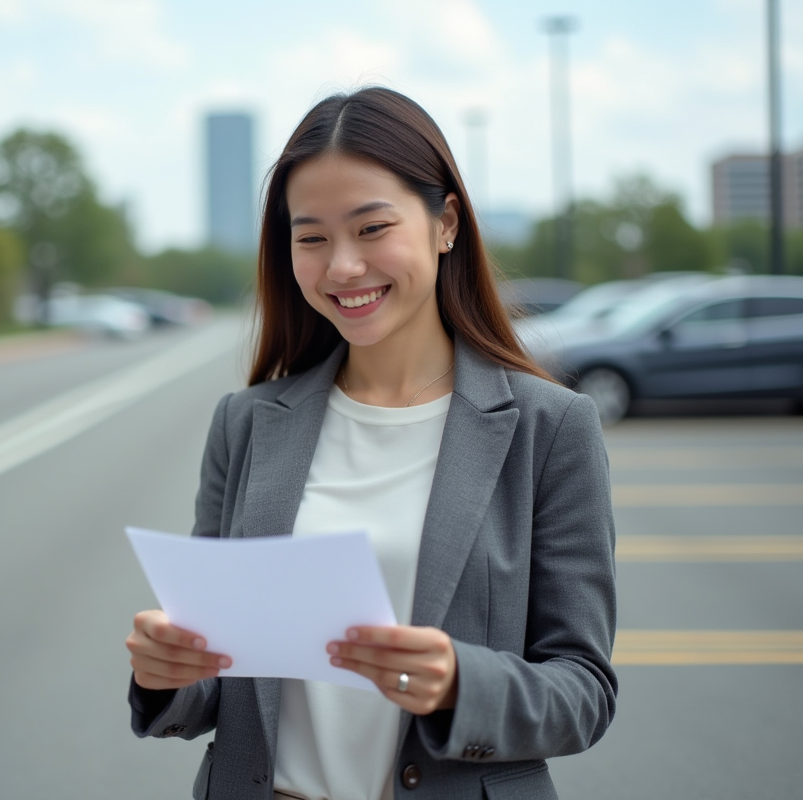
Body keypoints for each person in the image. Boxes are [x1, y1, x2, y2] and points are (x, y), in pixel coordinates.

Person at [125, 87, 617, 800]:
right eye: (313, 237)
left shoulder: (552, 428)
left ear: (446, 222)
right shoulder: (248, 422)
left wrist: (459, 683)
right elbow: (221, 681)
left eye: (371, 228)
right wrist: (167, 673)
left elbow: (583, 691)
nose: (342, 267)